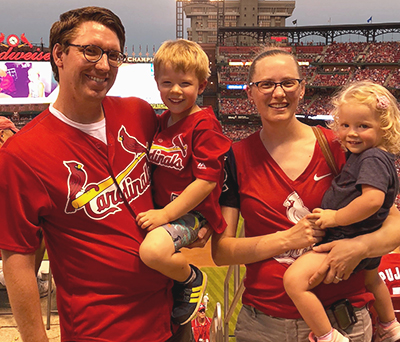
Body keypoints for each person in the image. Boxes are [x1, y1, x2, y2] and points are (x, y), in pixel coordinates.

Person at [0, 7, 207, 342]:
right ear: (59, 55)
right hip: (100, 331)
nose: (103, 64)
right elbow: (18, 261)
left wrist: (202, 218)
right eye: (91, 50)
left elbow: (188, 162)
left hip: (169, 315)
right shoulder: (21, 156)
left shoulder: (138, 112)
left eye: (113, 55)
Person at [212, 48, 400, 342]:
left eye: (288, 82)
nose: (278, 93)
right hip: (264, 324)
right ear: (250, 93)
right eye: (266, 84)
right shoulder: (235, 158)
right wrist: (288, 239)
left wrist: (360, 247)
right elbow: (222, 252)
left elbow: (394, 225)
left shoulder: (340, 145)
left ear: (302, 89)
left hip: (342, 320)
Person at [283, 81, 400, 342]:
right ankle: (390, 325)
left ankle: (327, 336)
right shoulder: (371, 156)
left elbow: (371, 201)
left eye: (363, 126)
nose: (352, 133)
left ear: (384, 127)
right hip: (362, 237)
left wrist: (334, 217)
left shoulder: (371, 158)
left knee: (294, 282)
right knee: (373, 281)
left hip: (344, 238)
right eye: (345, 125)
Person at [136, 39, 231, 325]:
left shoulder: (204, 125)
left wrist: (165, 214)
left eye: (185, 84)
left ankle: (191, 278)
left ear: (202, 86)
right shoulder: (163, 121)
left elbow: (205, 183)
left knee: (152, 251)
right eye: (167, 82)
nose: (175, 91)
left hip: (192, 213)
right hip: (167, 209)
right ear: (156, 83)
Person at [0, 116, 48, 297]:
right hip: (11, 244)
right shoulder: (13, 160)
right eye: (14, 134)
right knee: (43, 228)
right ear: (3, 136)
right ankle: (27, 283)